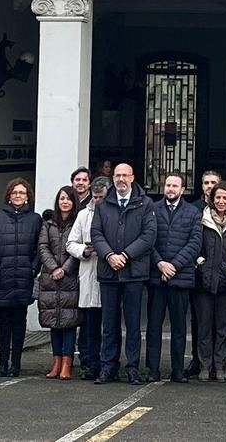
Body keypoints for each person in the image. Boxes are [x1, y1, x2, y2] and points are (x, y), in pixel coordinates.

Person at [91, 163, 157, 385]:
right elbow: (96, 233)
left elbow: (148, 236)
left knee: (133, 324)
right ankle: (108, 367)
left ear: (132, 177)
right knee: (109, 324)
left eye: (124, 175)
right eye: (117, 175)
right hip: (109, 272)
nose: (120, 179)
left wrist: (126, 256)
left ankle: (132, 368)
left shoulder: (145, 204)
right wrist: (110, 255)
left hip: (134, 273)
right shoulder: (103, 204)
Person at [146, 173, 202, 383]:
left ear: (183, 189)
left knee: (179, 327)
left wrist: (174, 265)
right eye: (168, 185)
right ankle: (153, 369)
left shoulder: (192, 212)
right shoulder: (152, 208)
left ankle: (178, 370)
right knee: (153, 326)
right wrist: (159, 263)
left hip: (181, 277)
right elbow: (147, 239)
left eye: (174, 186)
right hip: (157, 277)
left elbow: (195, 243)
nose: (170, 189)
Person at [0, 177, 43, 377]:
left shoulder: (35, 220)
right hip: (3, 279)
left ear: (28, 197)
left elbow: (39, 249)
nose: (18, 196)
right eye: (15, 192)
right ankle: (2, 363)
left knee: (20, 324)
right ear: (9, 196)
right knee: (3, 323)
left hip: (23, 279)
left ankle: (16, 364)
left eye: (22, 193)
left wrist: (33, 269)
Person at [193, 181, 226, 382]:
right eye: (218, 197)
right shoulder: (201, 220)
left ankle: (220, 366)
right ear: (212, 199)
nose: (221, 201)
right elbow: (194, 244)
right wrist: (200, 264)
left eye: (225, 198)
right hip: (203, 281)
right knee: (204, 325)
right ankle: (204, 366)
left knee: (223, 326)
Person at [67, 175, 111, 380]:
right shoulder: (84, 215)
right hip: (89, 271)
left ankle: (108, 363)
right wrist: (84, 250)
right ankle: (92, 363)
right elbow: (70, 243)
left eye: (101, 197)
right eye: (94, 197)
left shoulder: (115, 213)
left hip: (111, 274)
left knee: (109, 326)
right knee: (91, 326)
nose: (97, 201)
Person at [38, 186, 82, 380]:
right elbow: (42, 247)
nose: (65, 202)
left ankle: (67, 364)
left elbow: (79, 248)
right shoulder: (48, 223)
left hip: (69, 279)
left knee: (69, 322)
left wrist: (64, 269)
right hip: (50, 278)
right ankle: (56, 363)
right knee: (54, 323)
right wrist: (53, 268)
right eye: (61, 198)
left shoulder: (78, 222)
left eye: (68, 199)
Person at [185, 169, 222, 377]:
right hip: (198, 273)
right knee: (199, 320)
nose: (209, 186)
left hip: (220, 273)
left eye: (213, 182)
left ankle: (216, 362)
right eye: (206, 182)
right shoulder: (193, 210)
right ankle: (197, 360)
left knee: (219, 319)